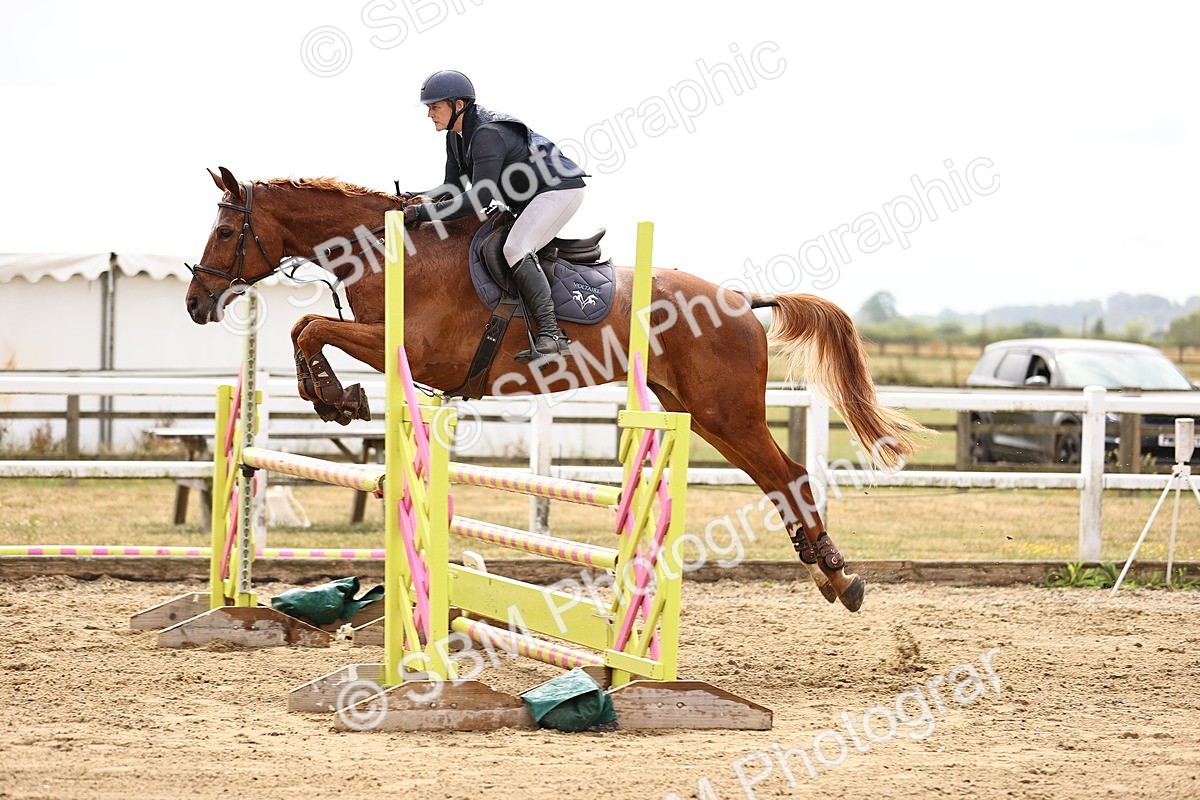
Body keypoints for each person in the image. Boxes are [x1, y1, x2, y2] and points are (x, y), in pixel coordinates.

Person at [401, 69, 587, 361]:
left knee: (516, 247)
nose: (430, 115)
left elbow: (480, 197)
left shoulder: (487, 134)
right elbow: (451, 188)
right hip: (532, 196)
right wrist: (414, 199)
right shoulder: (456, 136)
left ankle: (552, 336)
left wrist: (423, 212)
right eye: (429, 108)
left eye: (435, 107)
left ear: (458, 105)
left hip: (558, 191)